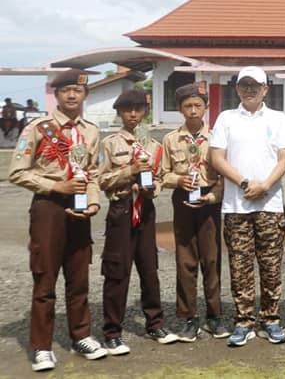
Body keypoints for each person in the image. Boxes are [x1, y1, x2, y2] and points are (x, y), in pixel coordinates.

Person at [8, 69, 108, 371]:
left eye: (77, 91)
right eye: (65, 90)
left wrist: (93, 203)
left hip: (80, 207)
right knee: (45, 276)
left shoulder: (91, 131)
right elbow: (17, 172)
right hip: (49, 207)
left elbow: (93, 173)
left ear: (85, 95)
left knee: (79, 277)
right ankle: (41, 346)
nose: (71, 95)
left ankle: (81, 336)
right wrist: (56, 186)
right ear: (57, 94)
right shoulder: (39, 128)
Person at [210, 66, 285, 346]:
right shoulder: (226, 118)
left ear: (265, 89)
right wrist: (245, 183)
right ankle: (244, 321)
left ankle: (271, 319)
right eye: (244, 85)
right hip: (236, 206)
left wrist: (266, 185)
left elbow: (284, 159)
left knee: (271, 266)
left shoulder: (278, 119)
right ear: (237, 88)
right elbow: (217, 158)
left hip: (270, 204)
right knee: (240, 266)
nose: (249, 90)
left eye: (255, 85)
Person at [97, 89, 178, 354]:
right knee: (117, 271)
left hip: (146, 210)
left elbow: (160, 178)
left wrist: (151, 188)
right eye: (127, 109)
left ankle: (155, 324)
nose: (133, 114)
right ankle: (112, 331)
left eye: (138, 109)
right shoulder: (110, 144)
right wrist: (129, 172)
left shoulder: (153, 145)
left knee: (149, 268)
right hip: (121, 210)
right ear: (119, 113)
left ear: (145, 112)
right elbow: (101, 179)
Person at [159, 83, 228, 342]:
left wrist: (213, 196)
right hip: (183, 200)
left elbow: (223, 174)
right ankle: (189, 317)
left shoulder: (217, 137)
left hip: (209, 199)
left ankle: (214, 316)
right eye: (187, 106)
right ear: (179, 109)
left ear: (206, 108)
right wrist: (177, 181)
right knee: (186, 260)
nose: (193, 111)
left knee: (211, 259)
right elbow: (161, 174)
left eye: (198, 105)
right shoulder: (170, 139)